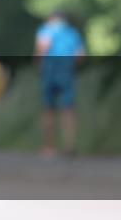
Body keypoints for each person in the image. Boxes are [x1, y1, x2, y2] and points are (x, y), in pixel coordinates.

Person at [34, 10, 85, 158]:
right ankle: (69, 145)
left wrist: (38, 64)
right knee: (68, 108)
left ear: (51, 19)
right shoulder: (72, 33)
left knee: (48, 108)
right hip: (67, 68)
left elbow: (42, 48)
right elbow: (80, 55)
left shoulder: (46, 30)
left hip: (50, 68)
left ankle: (48, 146)